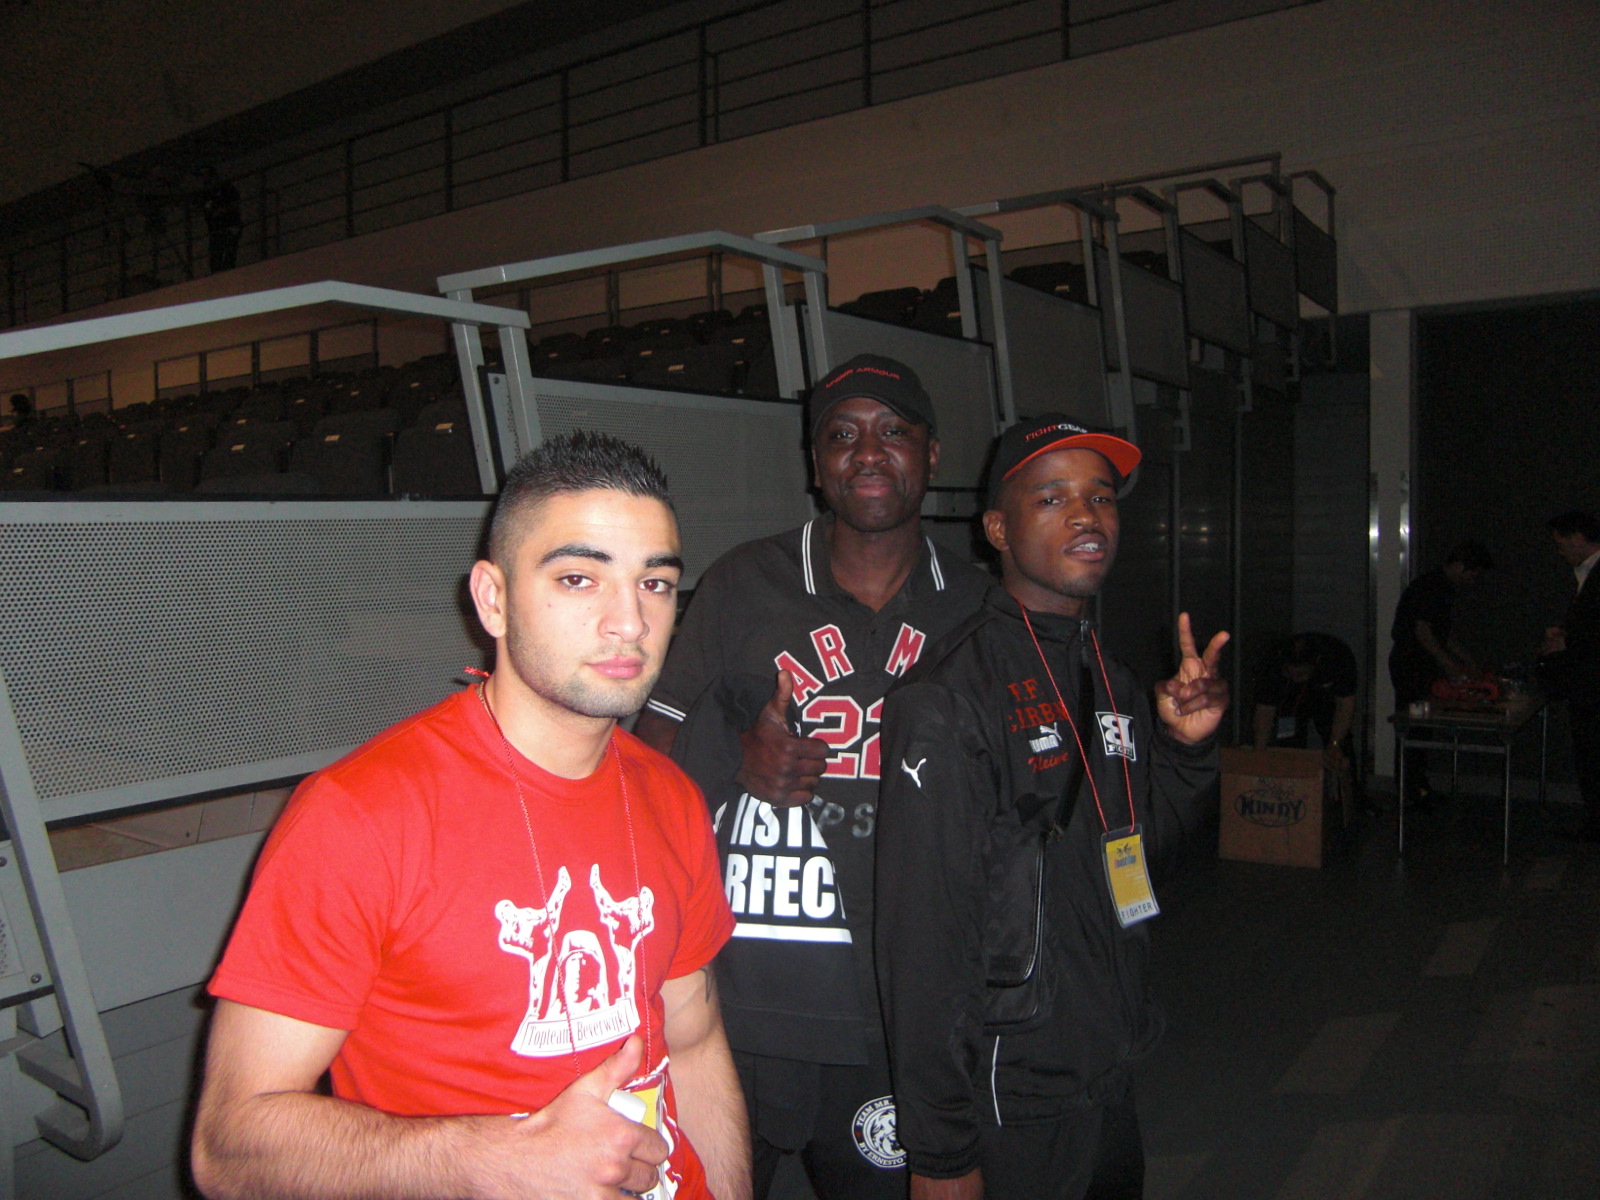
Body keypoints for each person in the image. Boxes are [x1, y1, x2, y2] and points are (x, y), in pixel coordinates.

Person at [192, 431, 750, 1200]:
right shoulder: (361, 816)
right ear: (493, 599)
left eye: (654, 583)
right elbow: (226, 1149)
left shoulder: (669, 794)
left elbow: (694, 1042)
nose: (629, 621)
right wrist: (487, 1158)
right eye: (579, 579)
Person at [634, 353, 992, 1199]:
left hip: (890, 1006)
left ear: (932, 453)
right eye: (841, 435)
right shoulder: (743, 582)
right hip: (734, 998)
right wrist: (735, 754)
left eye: (892, 430)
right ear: (816, 462)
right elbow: (647, 752)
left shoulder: (976, 606)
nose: (867, 452)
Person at [875, 415, 1229, 1200]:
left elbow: (1147, 857)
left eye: (1100, 497)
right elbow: (922, 943)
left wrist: (1186, 750)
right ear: (998, 529)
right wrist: (940, 1152)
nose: (1086, 516)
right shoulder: (951, 697)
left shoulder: (1110, 674)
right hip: (1010, 1101)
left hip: (1108, 1075)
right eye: (1052, 498)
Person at [1387, 540, 1493, 808]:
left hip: (1419, 663)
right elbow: (1424, 632)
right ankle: (1411, 790)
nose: (1472, 580)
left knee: (1421, 728)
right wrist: (1451, 666)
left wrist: (1467, 662)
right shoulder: (1431, 587)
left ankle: (1417, 787)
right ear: (1460, 566)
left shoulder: (1440, 587)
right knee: (1414, 727)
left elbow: (1442, 634)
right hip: (1412, 664)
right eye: (1472, 573)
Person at [1539, 510, 1600, 841]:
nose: (1559, 550)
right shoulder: (1587, 573)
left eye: (1561, 543)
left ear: (1577, 539)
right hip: (1587, 682)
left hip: (1591, 685)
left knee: (1591, 755)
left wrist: (1567, 640)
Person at [1251, 631, 1358, 769]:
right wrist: (1259, 753)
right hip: (1289, 697)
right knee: (1287, 737)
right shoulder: (1270, 661)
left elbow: (1345, 706)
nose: (1296, 678)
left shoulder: (1337, 657)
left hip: (1327, 697)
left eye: (1301, 673)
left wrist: (1335, 744)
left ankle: (1344, 775)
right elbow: (1264, 711)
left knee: (1337, 740)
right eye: (1290, 673)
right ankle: (1290, 773)